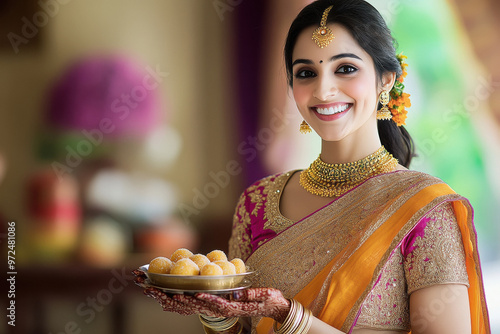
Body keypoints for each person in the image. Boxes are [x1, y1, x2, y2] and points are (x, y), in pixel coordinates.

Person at [134, 0, 491, 333]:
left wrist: (289, 316)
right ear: (290, 86)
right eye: (305, 73)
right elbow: (241, 325)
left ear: (386, 80)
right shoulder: (257, 203)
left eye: (346, 68)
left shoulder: (425, 210)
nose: (324, 90)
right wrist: (211, 309)